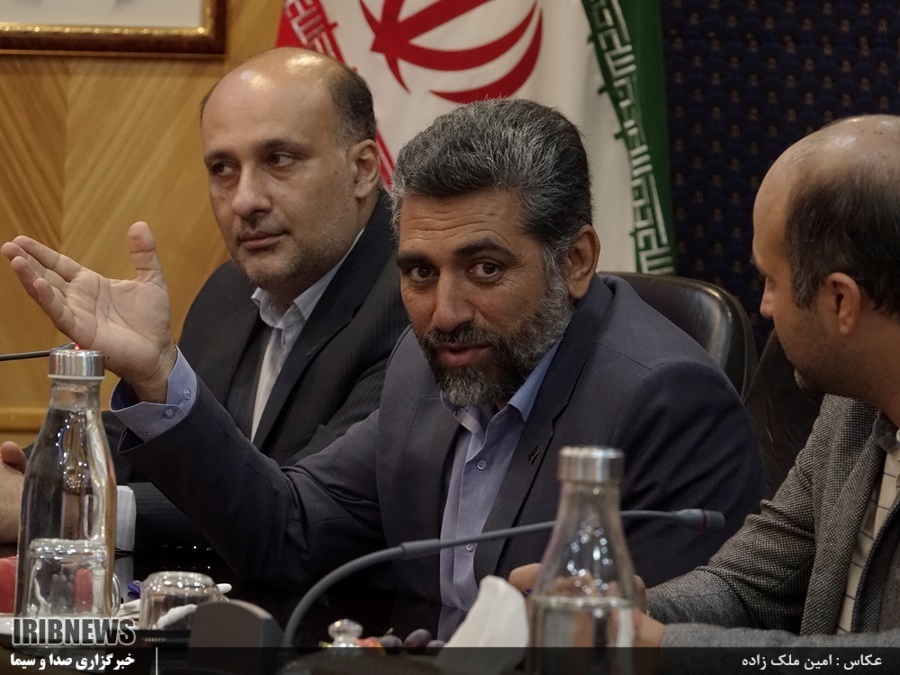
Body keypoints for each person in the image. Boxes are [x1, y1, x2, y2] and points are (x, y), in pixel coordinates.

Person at [2, 98, 763, 608]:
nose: (445, 313)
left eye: (485, 268)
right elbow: (288, 528)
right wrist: (156, 372)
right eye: (419, 273)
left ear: (576, 260)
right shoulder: (426, 364)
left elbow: (643, 646)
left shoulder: (667, 403)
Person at [0, 47, 409, 550]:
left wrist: (56, 507)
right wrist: (33, 472)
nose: (245, 200)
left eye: (279, 160)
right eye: (222, 168)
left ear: (363, 169)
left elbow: (292, 512)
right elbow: (171, 450)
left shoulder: (415, 303)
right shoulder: (229, 290)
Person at [630, 114, 900, 650]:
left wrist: (667, 651)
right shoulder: (852, 406)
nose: (765, 306)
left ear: (841, 300)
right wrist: (619, 613)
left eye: (771, 280)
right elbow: (749, 585)